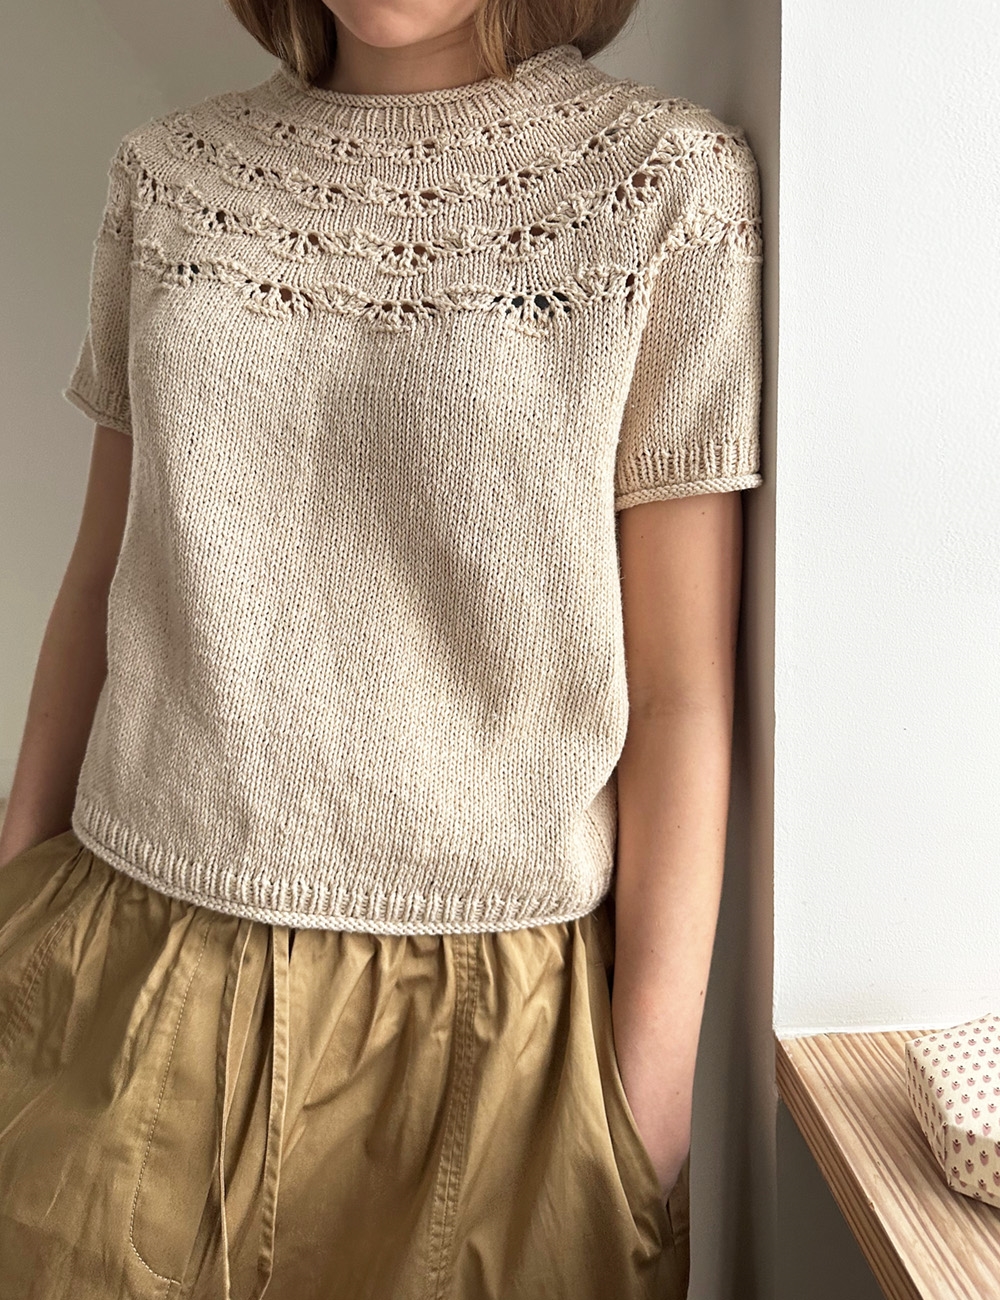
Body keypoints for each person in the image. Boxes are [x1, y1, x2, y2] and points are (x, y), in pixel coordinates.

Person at [0, 0, 763, 1296]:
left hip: (493, 1036)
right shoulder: (168, 178)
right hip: (126, 975)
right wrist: (17, 889)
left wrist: (645, 1122)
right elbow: (97, 579)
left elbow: (685, 690)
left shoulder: (665, 187)